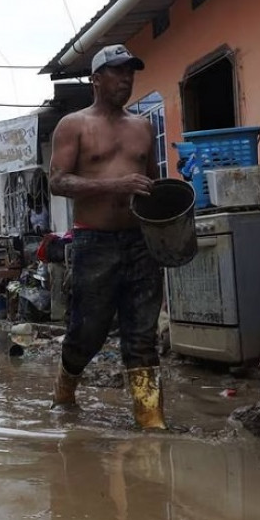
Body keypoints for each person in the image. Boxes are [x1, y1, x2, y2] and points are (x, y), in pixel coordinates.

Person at [47, 43, 166, 430]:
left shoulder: (143, 127)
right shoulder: (74, 125)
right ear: (96, 79)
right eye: (118, 72)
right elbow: (57, 181)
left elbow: (153, 184)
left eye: (130, 71)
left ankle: (151, 419)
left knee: (142, 332)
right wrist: (114, 184)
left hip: (140, 242)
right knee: (88, 330)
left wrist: (170, 221)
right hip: (93, 242)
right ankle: (65, 389)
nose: (126, 79)